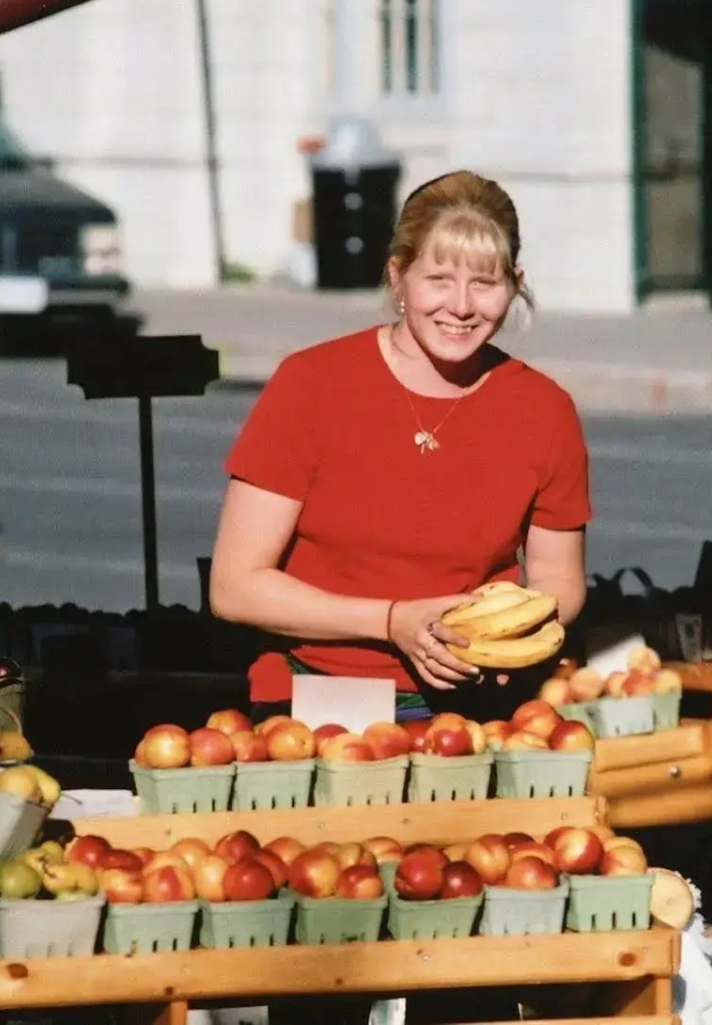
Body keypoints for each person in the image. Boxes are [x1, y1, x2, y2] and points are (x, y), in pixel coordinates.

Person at [209, 170, 591, 724]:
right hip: (313, 705)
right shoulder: (311, 384)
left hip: (476, 707)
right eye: (438, 278)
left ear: (515, 284)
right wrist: (392, 621)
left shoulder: (545, 409)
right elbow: (235, 587)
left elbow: (561, 582)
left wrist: (492, 634)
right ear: (398, 277)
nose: (461, 306)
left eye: (484, 284)